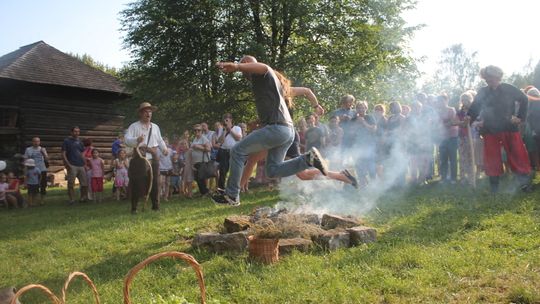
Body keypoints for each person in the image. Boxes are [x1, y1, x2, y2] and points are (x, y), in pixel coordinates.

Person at [213, 56, 328, 205]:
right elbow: (306, 91)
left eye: (244, 68)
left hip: (277, 129)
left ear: (248, 64)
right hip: (287, 132)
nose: (244, 75)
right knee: (272, 170)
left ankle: (232, 195)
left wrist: (236, 66)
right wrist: (316, 105)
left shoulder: (264, 73)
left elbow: (264, 67)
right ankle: (308, 159)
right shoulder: (276, 86)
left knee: (237, 150)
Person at [467, 65, 531, 192]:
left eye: (490, 78)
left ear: (497, 76)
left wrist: (520, 117)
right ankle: (494, 187)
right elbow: (475, 107)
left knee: (517, 154)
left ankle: (524, 184)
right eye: (486, 78)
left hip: (509, 127)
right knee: (491, 158)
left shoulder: (508, 88)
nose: (488, 81)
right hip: (490, 128)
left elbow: (524, 99)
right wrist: (469, 117)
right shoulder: (483, 91)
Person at [125, 102, 169, 212]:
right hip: (139, 158)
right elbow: (126, 140)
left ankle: (156, 206)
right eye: (146, 111)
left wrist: (164, 149)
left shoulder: (155, 127)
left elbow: (159, 140)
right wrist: (136, 140)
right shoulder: (134, 126)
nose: (148, 113)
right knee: (137, 182)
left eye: (150, 111)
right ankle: (134, 208)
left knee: (155, 183)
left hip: (154, 157)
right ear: (140, 113)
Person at [436, 94, 459, 184]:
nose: (440, 102)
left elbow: (453, 122)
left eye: (442, 100)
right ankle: (443, 178)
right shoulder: (437, 112)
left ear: (446, 101)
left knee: (453, 158)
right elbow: (436, 123)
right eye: (439, 101)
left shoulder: (451, 110)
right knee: (443, 159)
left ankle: (453, 178)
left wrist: (442, 125)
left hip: (452, 137)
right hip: (442, 138)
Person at [62, 126, 88, 205]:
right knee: (71, 184)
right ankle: (72, 200)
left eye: (78, 132)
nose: (77, 133)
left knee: (84, 184)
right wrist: (67, 164)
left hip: (81, 165)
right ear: (71, 132)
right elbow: (63, 154)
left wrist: (85, 164)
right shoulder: (67, 141)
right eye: (75, 131)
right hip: (72, 165)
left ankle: (83, 198)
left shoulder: (80, 142)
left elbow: (82, 154)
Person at [216, 113, 243, 190]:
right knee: (223, 171)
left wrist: (230, 130)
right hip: (224, 151)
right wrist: (224, 131)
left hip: (234, 151)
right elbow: (220, 141)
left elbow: (238, 138)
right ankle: (221, 189)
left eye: (227, 119)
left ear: (231, 120)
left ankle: (234, 187)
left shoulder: (237, 128)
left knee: (234, 171)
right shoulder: (221, 129)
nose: (225, 121)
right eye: (224, 120)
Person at [23, 137, 49, 204]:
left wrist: (43, 153)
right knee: (33, 186)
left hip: (42, 169)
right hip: (32, 170)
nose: (36, 143)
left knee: (43, 185)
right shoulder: (28, 149)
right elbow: (25, 160)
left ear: (39, 142)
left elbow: (46, 159)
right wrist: (25, 171)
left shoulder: (42, 149)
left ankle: (42, 200)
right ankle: (32, 200)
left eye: (38, 141)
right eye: (35, 141)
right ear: (32, 142)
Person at [191, 124, 212, 196]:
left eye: (198, 130)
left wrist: (198, 147)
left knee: (201, 178)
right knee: (197, 178)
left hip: (203, 161)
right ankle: (204, 192)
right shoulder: (195, 139)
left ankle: (205, 192)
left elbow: (209, 149)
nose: (197, 131)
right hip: (196, 162)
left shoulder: (204, 138)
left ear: (201, 131)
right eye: (195, 130)